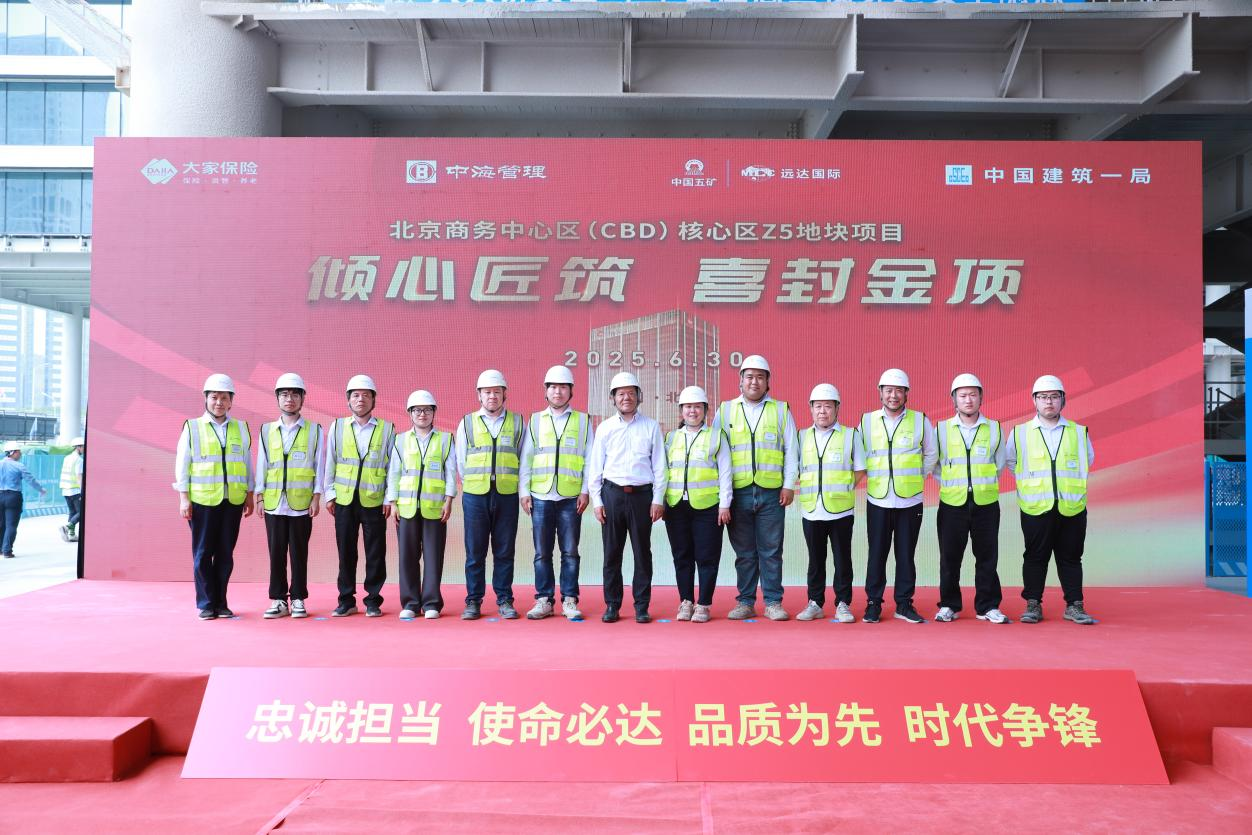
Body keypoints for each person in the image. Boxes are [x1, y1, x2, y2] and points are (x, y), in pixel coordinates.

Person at [1005, 374, 1097, 626]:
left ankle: (1074, 605)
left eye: (1054, 397)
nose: (1049, 402)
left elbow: (1087, 460)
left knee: (1071, 557)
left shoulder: (1078, 432)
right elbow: (1012, 463)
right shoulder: (1020, 432)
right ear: (1034, 401)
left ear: (1063, 401)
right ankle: (1033, 604)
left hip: (1071, 505)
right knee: (1035, 556)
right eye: (1043, 397)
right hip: (1036, 506)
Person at [712, 354, 798, 622]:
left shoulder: (781, 410)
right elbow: (714, 452)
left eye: (760, 377)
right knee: (745, 553)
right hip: (738, 493)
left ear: (768, 382)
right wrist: (723, 495)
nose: (754, 382)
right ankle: (745, 602)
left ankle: (773, 602)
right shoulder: (725, 410)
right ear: (740, 381)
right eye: (749, 376)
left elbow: (791, 450)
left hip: (772, 492)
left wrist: (789, 485)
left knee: (771, 550)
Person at [855, 368, 937, 625]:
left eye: (898, 391)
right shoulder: (867, 421)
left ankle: (904, 603)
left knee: (906, 554)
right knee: (876, 554)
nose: (893, 395)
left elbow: (931, 454)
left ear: (906, 393)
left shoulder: (920, 420)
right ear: (880, 393)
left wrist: (915, 477)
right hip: (878, 499)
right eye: (888, 390)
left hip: (909, 500)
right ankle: (873, 603)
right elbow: (858, 455)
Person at [587, 371, 667, 624]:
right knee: (612, 553)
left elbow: (660, 466)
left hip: (642, 497)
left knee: (642, 553)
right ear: (613, 398)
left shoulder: (651, 426)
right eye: (621, 394)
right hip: (612, 495)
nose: (626, 398)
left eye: (631, 393)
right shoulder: (605, 428)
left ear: (639, 396)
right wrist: (597, 501)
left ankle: (641, 606)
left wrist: (658, 499)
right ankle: (612, 605)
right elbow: (595, 467)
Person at [173, 374, 253, 619]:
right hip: (203, 501)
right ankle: (206, 604)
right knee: (203, 553)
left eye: (224, 398)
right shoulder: (192, 427)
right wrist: (184, 498)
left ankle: (221, 602)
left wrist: (249, 494)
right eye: (214, 397)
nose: (219, 402)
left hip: (233, 501)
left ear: (231, 401)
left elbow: (247, 463)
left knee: (225, 554)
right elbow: (182, 464)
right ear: (206, 399)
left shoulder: (241, 428)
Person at [934, 374, 1010, 625]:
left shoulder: (994, 428)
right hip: (952, 503)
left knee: (987, 557)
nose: (968, 400)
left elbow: (999, 464)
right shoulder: (941, 429)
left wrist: (979, 483)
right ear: (954, 399)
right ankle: (949, 605)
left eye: (973, 395)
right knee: (949, 557)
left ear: (981, 398)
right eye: (963, 395)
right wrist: (953, 483)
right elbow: (935, 465)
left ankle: (988, 606)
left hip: (985, 503)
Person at [519, 365, 594, 621]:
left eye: (563, 387)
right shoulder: (535, 420)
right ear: (546, 391)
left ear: (571, 391)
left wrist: (585, 491)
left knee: (570, 552)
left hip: (570, 497)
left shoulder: (583, 421)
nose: (557, 392)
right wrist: (524, 492)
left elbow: (590, 459)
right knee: (542, 553)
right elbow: (527, 458)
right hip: (540, 496)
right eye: (552, 387)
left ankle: (570, 600)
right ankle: (544, 599)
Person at [323, 374, 394, 618]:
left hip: (374, 499)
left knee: (375, 552)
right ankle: (346, 600)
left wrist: (389, 497)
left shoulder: (387, 429)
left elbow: (392, 466)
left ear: (374, 400)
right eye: (355, 395)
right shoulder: (337, 426)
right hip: (344, 499)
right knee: (346, 551)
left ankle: (373, 600)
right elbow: (330, 461)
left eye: (366, 395)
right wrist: (329, 493)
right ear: (348, 400)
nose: (360, 399)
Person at [456, 369, 525, 621]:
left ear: (505, 394)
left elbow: (523, 458)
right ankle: (473, 600)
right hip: (475, 496)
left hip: (506, 494)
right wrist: (476, 483)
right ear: (479, 395)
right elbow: (461, 462)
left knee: (504, 551)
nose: (492, 396)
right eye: (487, 392)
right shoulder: (467, 423)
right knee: (475, 552)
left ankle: (505, 599)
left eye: (497, 391)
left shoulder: (518, 422)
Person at [255, 373, 324, 620]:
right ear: (277, 398)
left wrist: (316, 497)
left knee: (298, 552)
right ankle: (278, 600)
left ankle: (297, 598)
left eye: (295, 394)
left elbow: (319, 465)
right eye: (284, 394)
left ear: (303, 398)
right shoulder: (266, 430)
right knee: (276, 553)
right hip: (274, 501)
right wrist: (260, 497)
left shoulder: (314, 430)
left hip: (301, 502)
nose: (289, 399)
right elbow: (262, 465)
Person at [663, 385, 732, 623]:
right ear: (681, 410)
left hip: (708, 507)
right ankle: (686, 601)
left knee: (706, 557)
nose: (692, 411)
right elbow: (663, 471)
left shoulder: (716, 436)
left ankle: (703, 604)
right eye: (688, 407)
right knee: (681, 556)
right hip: (676, 507)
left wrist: (725, 504)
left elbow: (725, 472)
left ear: (705, 410)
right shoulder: (671, 437)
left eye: (697, 407)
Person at [388, 390, 455, 620]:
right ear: (410, 413)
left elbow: (451, 472)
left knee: (433, 556)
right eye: (417, 410)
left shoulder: (445, 440)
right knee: (408, 556)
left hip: (435, 507)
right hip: (406, 507)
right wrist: (393, 502)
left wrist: (449, 500)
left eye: (427, 410)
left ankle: (431, 603)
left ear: (434, 412)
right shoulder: (400, 440)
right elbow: (394, 473)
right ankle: (410, 602)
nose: (422, 414)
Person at [795, 384, 858, 624]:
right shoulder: (801, 436)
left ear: (837, 409)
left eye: (828, 406)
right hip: (812, 509)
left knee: (842, 559)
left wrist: (843, 488)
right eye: (818, 406)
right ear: (811, 409)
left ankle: (843, 603)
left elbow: (860, 469)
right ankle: (815, 603)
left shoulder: (850, 435)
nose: (823, 411)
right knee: (815, 559)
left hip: (841, 511)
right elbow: (794, 468)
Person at [1, 441, 46, 558]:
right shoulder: (19, 466)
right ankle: (7, 551)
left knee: (1, 524)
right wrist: (41, 489)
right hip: (13, 497)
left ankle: (1, 549)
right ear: (13, 452)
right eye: (19, 452)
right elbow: (30, 480)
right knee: (11, 525)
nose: (20, 454)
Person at [59, 436, 85, 542]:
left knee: (72, 512)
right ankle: (66, 527)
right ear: (78, 447)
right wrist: (83, 491)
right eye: (83, 447)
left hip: (65, 489)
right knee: (82, 512)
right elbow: (79, 476)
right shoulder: (79, 460)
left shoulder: (67, 458)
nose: (84, 449)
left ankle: (71, 535)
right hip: (75, 490)